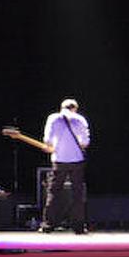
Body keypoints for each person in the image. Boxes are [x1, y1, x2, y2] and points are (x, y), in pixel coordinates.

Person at [40, 98, 90, 234]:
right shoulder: (80, 119)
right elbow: (85, 142)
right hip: (77, 160)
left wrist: (52, 146)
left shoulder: (53, 118)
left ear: (62, 107)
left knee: (53, 192)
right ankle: (79, 227)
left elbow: (47, 140)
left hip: (59, 160)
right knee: (77, 193)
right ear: (75, 108)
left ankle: (48, 225)